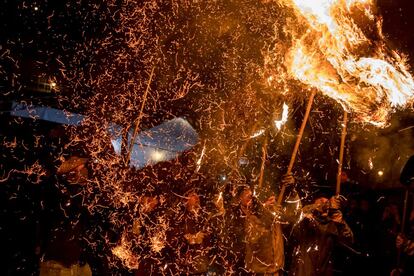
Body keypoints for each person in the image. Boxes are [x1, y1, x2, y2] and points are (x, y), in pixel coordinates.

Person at [38, 155, 92, 276]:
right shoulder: (56, 193)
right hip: (58, 264)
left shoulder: (76, 194)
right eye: (77, 169)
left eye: (81, 168)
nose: (82, 172)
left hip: (76, 261)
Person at [288, 193, 354, 276]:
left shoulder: (333, 224)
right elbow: (293, 231)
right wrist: (313, 209)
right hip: (303, 271)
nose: (326, 204)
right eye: (321, 201)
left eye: (328, 202)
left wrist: (339, 221)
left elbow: (348, 240)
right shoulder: (306, 219)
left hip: (323, 271)